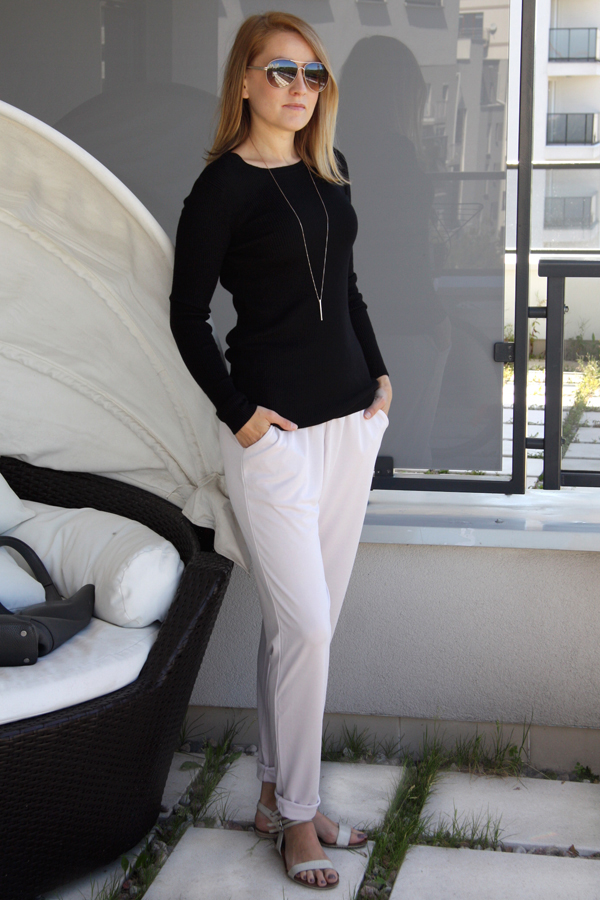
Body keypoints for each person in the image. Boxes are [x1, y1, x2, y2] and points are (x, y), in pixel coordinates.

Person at [170, 11, 392, 891]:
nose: (300, 88)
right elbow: (188, 317)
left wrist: (380, 379)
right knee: (305, 627)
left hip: (350, 426)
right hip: (275, 442)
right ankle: (300, 816)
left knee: (296, 631)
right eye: (282, 71)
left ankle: (275, 797)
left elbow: (349, 290)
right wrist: (239, 416)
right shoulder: (220, 190)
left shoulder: (329, 171)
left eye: (313, 74)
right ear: (245, 82)